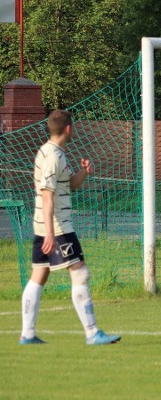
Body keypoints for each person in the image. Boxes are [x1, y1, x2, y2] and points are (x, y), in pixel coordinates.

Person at [19, 110, 122, 346]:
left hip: (45, 226)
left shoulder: (50, 152)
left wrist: (84, 172)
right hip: (58, 227)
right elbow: (47, 196)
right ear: (68, 129)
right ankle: (92, 332)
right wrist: (52, 233)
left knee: (39, 276)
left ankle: (27, 334)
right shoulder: (54, 157)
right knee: (80, 273)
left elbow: (71, 185)